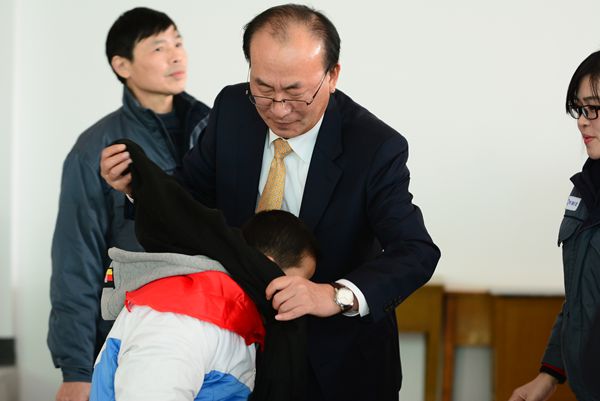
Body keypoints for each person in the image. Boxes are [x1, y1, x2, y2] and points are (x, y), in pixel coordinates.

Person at [101, 4, 440, 400]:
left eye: (296, 92)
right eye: (263, 88)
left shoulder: (374, 147)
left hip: (339, 364)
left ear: (332, 75)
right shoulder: (233, 110)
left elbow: (415, 251)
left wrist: (333, 295)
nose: (279, 108)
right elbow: (189, 198)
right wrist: (136, 187)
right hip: (242, 349)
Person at [48, 7, 210, 401]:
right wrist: (77, 370)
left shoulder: (214, 129)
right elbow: (76, 261)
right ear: (122, 65)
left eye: (178, 42)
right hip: (134, 341)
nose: (176, 56)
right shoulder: (97, 148)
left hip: (215, 331)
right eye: (159, 47)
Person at [90, 210, 317, 401]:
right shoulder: (186, 316)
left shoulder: (227, 313)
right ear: (268, 266)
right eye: (297, 284)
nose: (302, 298)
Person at [508, 50, 600, 401]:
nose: (582, 122)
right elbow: (580, 297)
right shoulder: (585, 191)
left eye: (594, 108)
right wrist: (549, 375)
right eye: (579, 109)